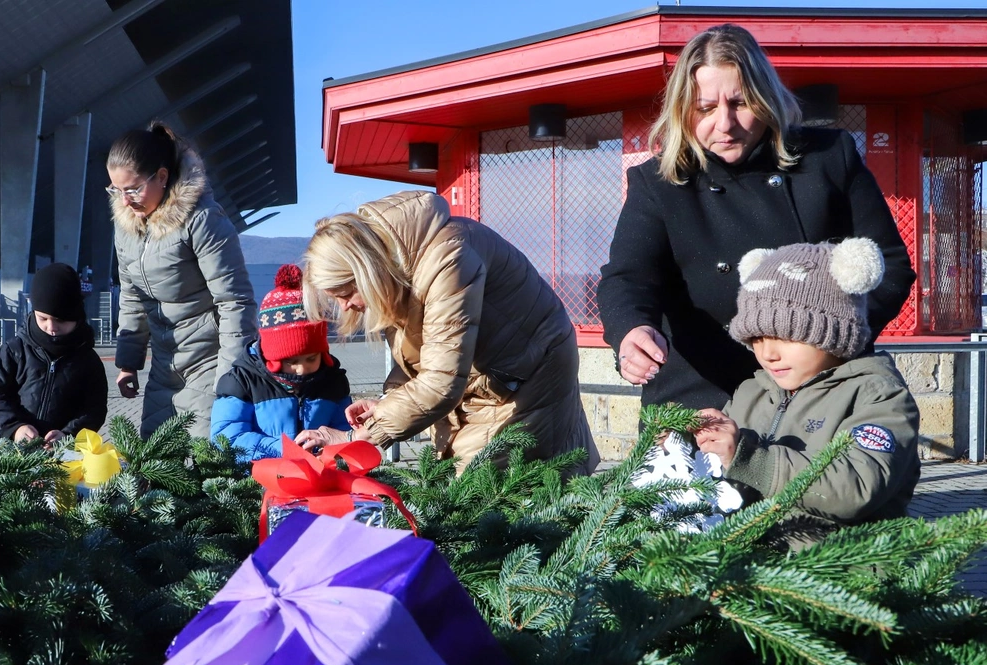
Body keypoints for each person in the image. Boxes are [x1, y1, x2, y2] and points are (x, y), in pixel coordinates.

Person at [598, 23, 915, 415]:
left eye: (741, 103)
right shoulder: (658, 182)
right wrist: (631, 331)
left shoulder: (829, 158)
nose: (725, 123)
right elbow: (627, 277)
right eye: (706, 108)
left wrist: (828, 341)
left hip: (818, 396)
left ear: (767, 99)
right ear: (682, 110)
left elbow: (889, 265)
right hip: (698, 397)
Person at [302, 190, 599, 474]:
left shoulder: (447, 257)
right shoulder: (399, 265)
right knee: (462, 488)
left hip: (525, 383)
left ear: (366, 271)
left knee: (481, 493)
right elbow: (423, 357)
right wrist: (386, 404)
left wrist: (358, 439)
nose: (346, 307)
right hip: (488, 387)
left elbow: (439, 384)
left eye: (345, 293)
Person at [693, 238, 920, 546]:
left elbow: (855, 489)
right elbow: (724, 480)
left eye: (785, 337)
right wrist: (698, 445)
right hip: (754, 574)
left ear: (833, 333)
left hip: (840, 575)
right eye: (757, 339)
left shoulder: (877, 396)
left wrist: (749, 458)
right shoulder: (752, 391)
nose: (768, 353)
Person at [108, 122, 256, 438]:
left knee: (207, 463)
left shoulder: (203, 219)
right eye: (116, 190)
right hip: (164, 367)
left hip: (210, 363)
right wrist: (128, 362)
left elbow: (235, 302)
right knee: (154, 462)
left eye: (133, 189)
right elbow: (132, 297)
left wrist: (232, 376)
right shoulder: (127, 228)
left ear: (162, 177)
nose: (125, 201)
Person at [210, 265, 352, 461]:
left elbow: (344, 430)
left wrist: (330, 451)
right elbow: (226, 439)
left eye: (311, 358)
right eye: (291, 361)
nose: (302, 369)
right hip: (255, 483)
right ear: (271, 356)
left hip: (318, 477)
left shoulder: (332, 381)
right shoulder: (242, 382)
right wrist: (285, 449)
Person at [0, 263, 108, 444]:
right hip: (13, 449)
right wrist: (14, 428)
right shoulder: (14, 350)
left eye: (60, 320)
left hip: (64, 453)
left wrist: (68, 435)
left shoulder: (88, 360)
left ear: (76, 317)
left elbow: (94, 409)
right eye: (43, 318)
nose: (51, 327)